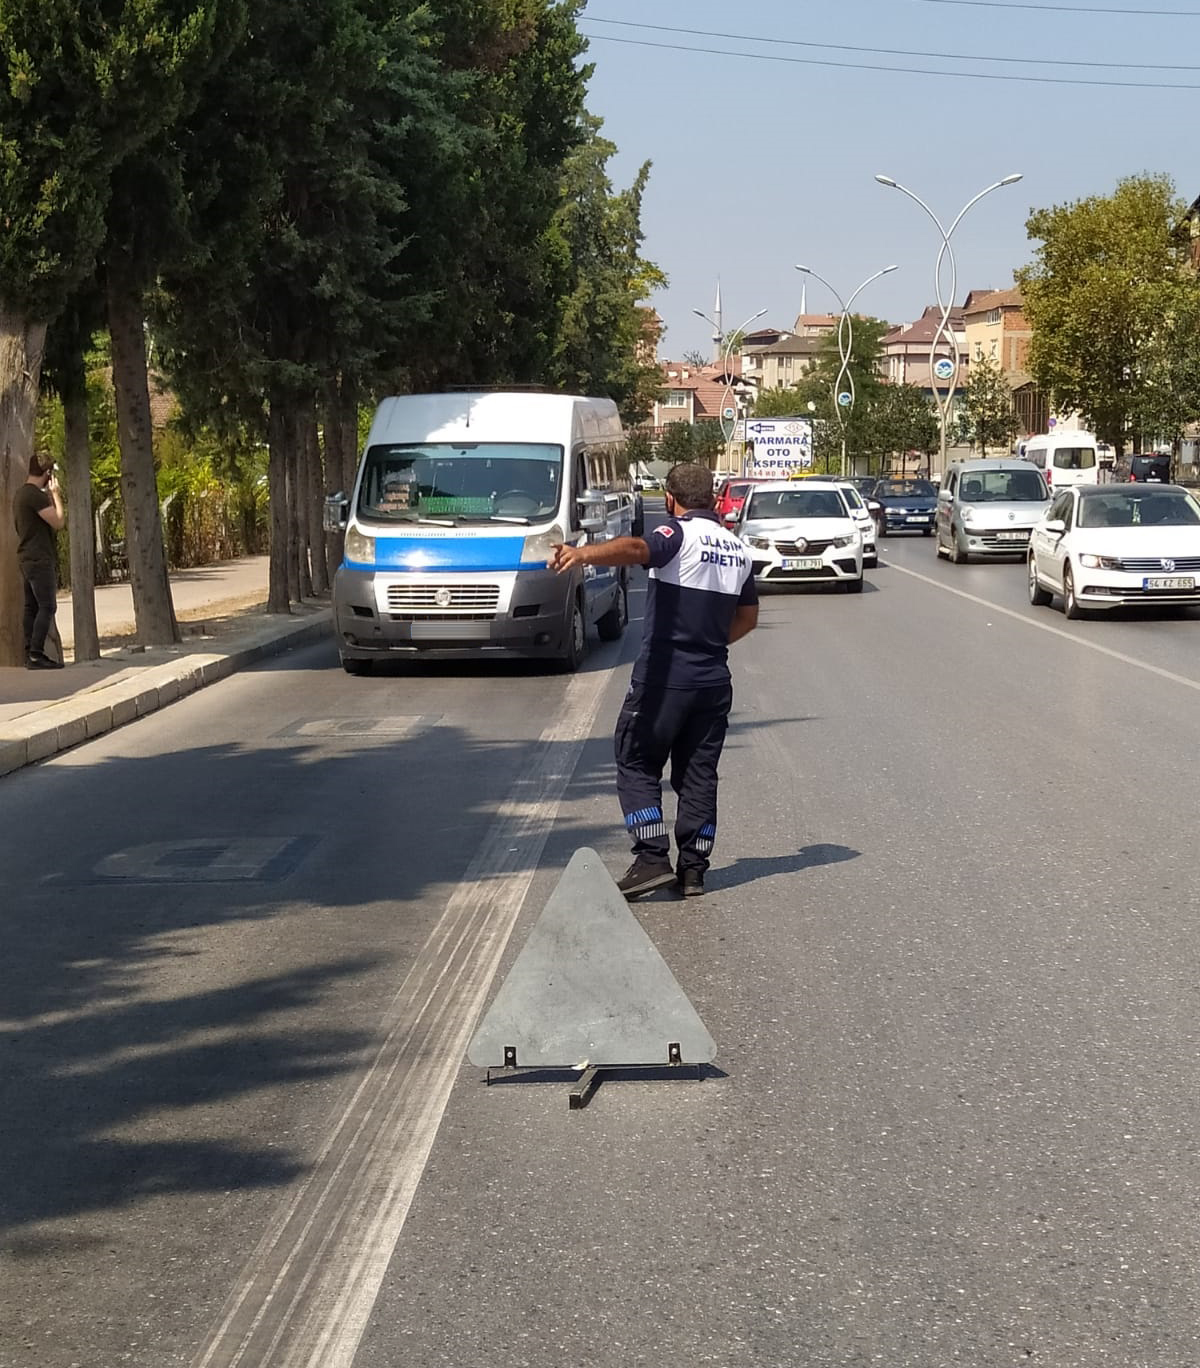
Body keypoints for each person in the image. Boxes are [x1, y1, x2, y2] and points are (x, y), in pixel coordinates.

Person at [550, 462, 758, 899]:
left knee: (636, 758)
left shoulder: (677, 533)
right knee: (699, 773)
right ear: (714, 500)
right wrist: (709, 643)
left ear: (670, 499)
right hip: (713, 680)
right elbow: (748, 618)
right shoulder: (738, 548)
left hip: (665, 678)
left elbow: (635, 549)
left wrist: (581, 554)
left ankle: (650, 858)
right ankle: (693, 869)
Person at [13, 454, 66, 669]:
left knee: (31, 607)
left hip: (26, 557)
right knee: (47, 606)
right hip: (39, 557)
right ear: (47, 474)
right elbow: (59, 521)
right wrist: (56, 495)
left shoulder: (21, 494)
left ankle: (29, 652)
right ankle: (36, 653)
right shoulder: (35, 496)